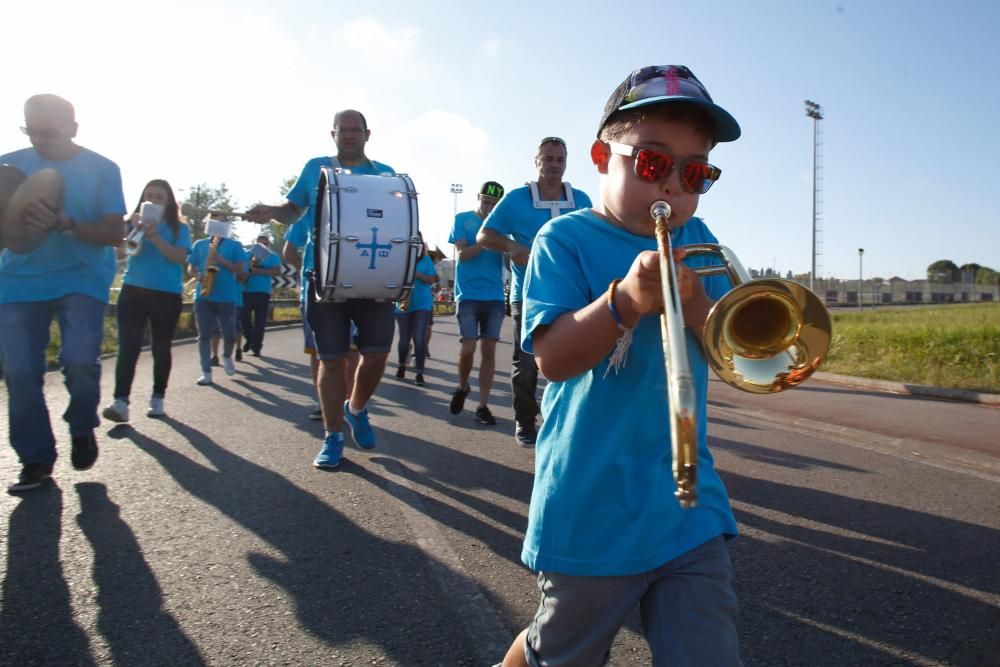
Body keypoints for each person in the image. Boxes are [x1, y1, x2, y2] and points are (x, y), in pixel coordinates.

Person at [497, 65, 743, 667]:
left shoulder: (700, 235)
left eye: (695, 173)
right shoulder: (565, 240)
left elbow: (729, 352)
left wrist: (698, 305)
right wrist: (624, 301)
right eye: (654, 164)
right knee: (564, 652)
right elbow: (552, 358)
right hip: (589, 504)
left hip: (689, 507)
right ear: (601, 155)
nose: (674, 190)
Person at [246, 109, 395, 469]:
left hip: (372, 275)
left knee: (375, 355)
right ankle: (333, 438)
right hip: (323, 276)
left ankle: (355, 407)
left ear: (367, 134)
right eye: (342, 130)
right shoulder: (316, 167)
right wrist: (270, 210)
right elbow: (292, 209)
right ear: (333, 134)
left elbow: (397, 222)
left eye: (354, 130)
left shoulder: (385, 175)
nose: (348, 135)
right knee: (331, 360)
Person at [1, 94, 126, 493]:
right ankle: (36, 458)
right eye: (30, 131)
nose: (38, 140)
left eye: (48, 133)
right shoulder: (8, 165)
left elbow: (114, 233)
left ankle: (82, 424)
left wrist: (65, 223)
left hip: (81, 277)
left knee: (78, 360)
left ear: (73, 129)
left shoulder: (103, 169)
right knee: (19, 372)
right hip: (19, 281)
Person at [478, 138, 592, 445]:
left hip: (571, 294)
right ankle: (525, 420)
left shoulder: (580, 199)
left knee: (576, 357)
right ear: (536, 161)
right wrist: (512, 245)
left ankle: (569, 419)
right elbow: (485, 234)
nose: (554, 164)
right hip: (527, 293)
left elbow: (596, 238)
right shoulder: (517, 199)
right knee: (527, 359)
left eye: (560, 159)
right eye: (548, 158)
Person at [102, 179, 192, 422]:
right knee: (128, 347)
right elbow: (120, 254)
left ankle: (157, 397)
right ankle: (121, 401)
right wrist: (134, 232)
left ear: (169, 202)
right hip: (133, 289)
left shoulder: (179, 229)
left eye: (159, 197)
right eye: (149, 196)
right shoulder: (131, 223)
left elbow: (177, 257)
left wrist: (154, 237)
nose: (153, 200)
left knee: (160, 346)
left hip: (166, 293)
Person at [447, 180, 506, 425]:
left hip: (494, 295)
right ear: (478, 198)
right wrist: (486, 239)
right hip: (468, 295)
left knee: (489, 350)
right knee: (469, 347)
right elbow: (462, 255)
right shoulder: (463, 219)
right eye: (486, 201)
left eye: (495, 204)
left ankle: (483, 405)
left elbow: (510, 259)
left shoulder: (502, 226)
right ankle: (462, 386)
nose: (489, 207)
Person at [187, 216, 247, 385]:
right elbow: (190, 266)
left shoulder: (235, 245)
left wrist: (220, 260)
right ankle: (206, 372)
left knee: (230, 334)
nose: (217, 225)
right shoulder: (199, 244)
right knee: (204, 336)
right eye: (214, 221)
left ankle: (227, 355)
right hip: (203, 295)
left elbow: (240, 269)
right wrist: (196, 274)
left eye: (221, 222)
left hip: (227, 296)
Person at [394, 232, 437, 386]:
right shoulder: (400, 258)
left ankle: (419, 373)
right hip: (404, 302)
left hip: (422, 303)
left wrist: (416, 274)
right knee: (404, 339)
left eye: (418, 240)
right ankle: (401, 365)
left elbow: (432, 279)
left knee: (419, 338)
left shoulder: (426, 259)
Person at [241, 234, 282, 357]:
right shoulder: (247, 254)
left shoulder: (273, 256)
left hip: (263, 292)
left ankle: (256, 347)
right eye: (260, 244)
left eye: (266, 244)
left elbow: (277, 271)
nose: (263, 246)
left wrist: (260, 271)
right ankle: (249, 339)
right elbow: (240, 268)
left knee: (260, 321)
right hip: (246, 290)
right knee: (244, 319)